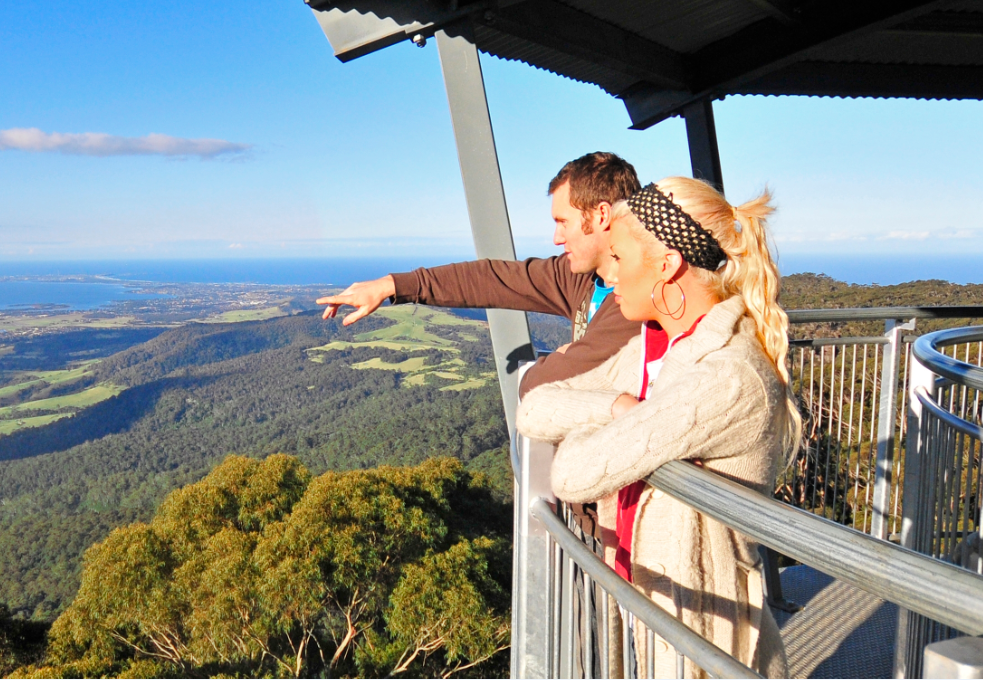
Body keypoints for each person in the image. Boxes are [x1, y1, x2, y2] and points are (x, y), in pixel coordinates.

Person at [515, 177, 801, 677]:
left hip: (703, 617)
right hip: (651, 589)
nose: (613, 278)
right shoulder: (654, 348)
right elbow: (535, 407)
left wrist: (598, 417)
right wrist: (622, 406)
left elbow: (574, 473)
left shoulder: (725, 376)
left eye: (621, 260)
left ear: (667, 265)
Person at [315, 152, 641, 398]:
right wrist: (391, 285)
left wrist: (556, 359)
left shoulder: (636, 302)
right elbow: (490, 279)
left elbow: (542, 384)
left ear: (601, 214)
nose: (556, 238)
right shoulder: (581, 278)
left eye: (563, 222)